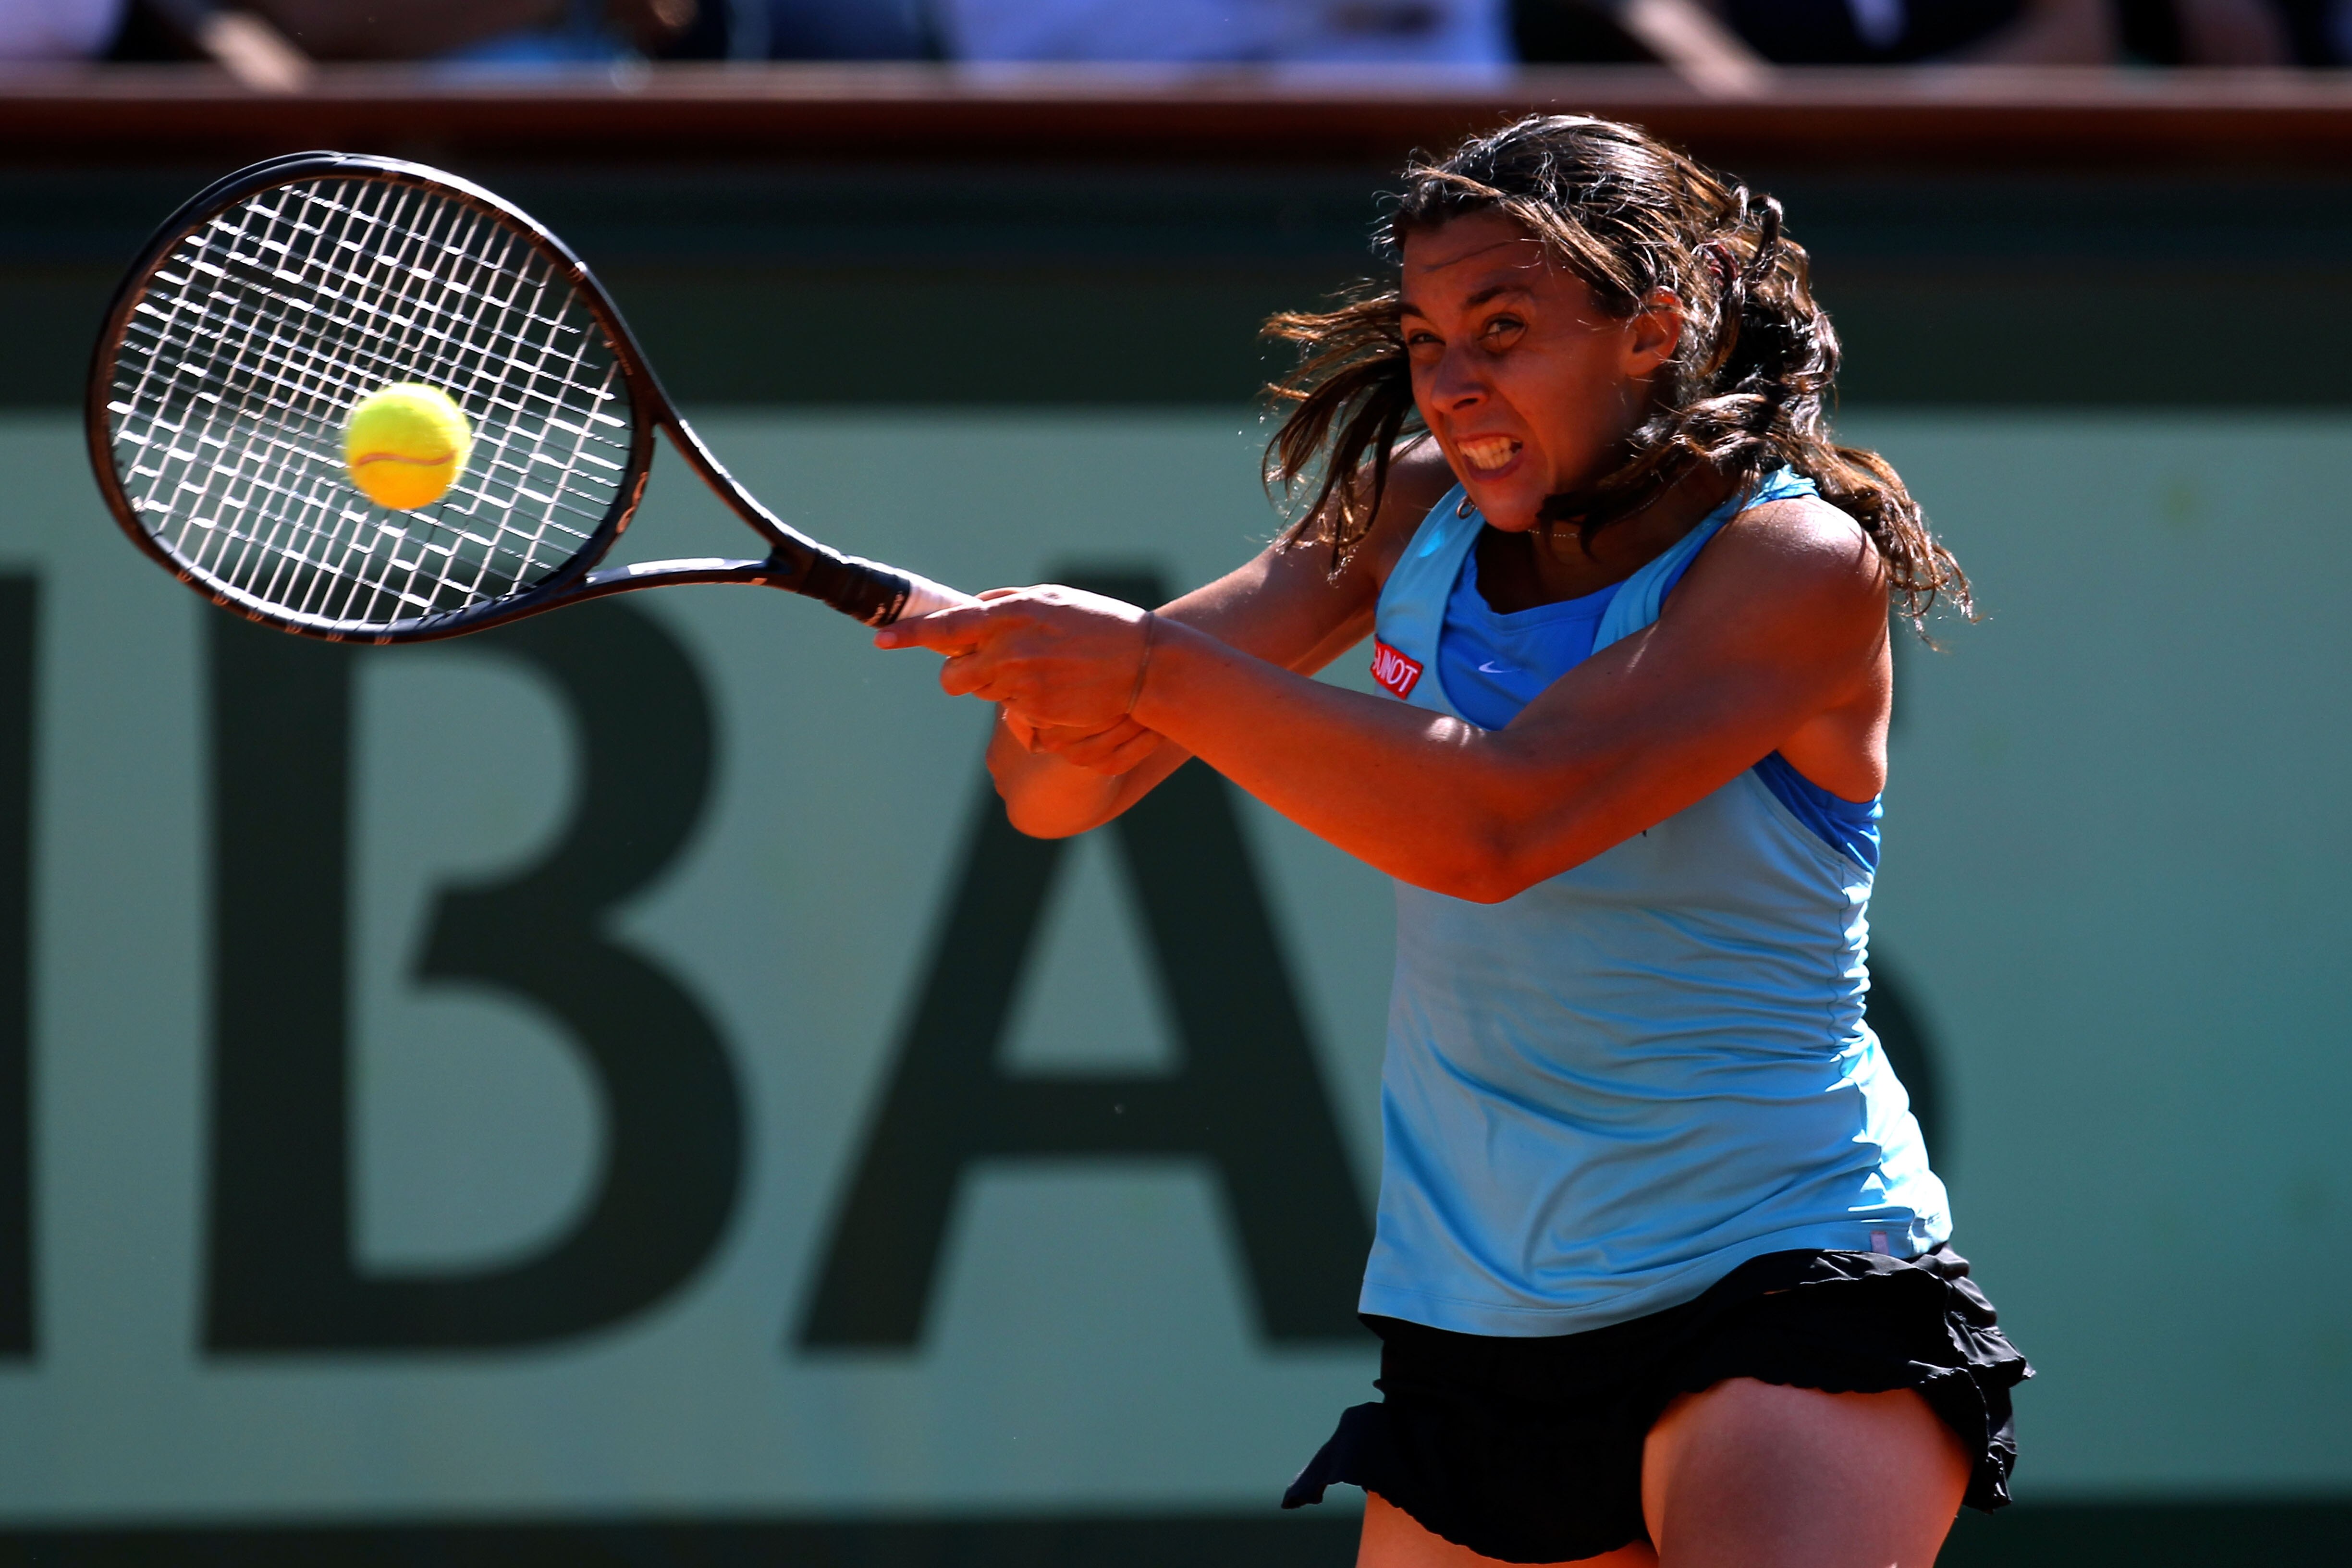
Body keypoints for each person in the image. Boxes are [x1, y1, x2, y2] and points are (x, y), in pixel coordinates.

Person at [879, 115, 2029, 1567]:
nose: (1457, 383)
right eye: (1428, 338)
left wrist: (1150, 670)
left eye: (1506, 327)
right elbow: (1054, 794)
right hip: (1479, 1321)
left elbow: (1499, 825)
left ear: (1648, 332)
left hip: (1784, 1277)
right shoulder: (1413, 509)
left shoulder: (1793, 565)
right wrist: (1052, 674)